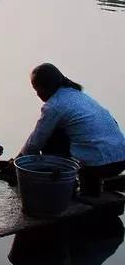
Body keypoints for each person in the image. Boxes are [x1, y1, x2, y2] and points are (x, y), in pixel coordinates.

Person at [17, 63, 125, 195]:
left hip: (98, 165)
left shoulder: (54, 105)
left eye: (37, 90)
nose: (38, 94)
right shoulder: (79, 95)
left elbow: (35, 142)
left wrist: (18, 161)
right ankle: (90, 181)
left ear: (46, 88)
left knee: (50, 137)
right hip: (121, 158)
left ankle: (61, 180)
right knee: (59, 131)